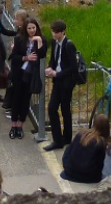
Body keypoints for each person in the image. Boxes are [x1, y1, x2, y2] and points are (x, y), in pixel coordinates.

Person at [8, 18, 46, 139]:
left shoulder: (41, 39)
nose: (31, 31)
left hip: (31, 74)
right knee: (16, 98)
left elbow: (42, 55)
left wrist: (39, 41)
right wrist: (26, 58)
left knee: (26, 99)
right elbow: (13, 57)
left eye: (33, 28)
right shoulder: (19, 39)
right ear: (25, 29)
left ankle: (20, 125)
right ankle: (13, 125)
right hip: (19, 73)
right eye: (29, 28)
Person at [43, 20, 78, 151]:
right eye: (53, 31)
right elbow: (53, 58)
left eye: (56, 32)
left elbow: (73, 67)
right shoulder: (54, 42)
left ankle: (67, 138)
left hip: (66, 82)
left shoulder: (69, 45)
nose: (54, 34)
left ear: (63, 32)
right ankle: (58, 139)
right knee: (52, 108)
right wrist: (50, 68)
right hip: (57, 80)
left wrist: (57, 74)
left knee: (65, 109)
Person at [61, 114, 110, 183]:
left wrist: (67, 166)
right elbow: (100, 164)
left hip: (69, 172)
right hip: (88, 177)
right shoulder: (101, 143)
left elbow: (68, 151)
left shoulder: (80, 134)